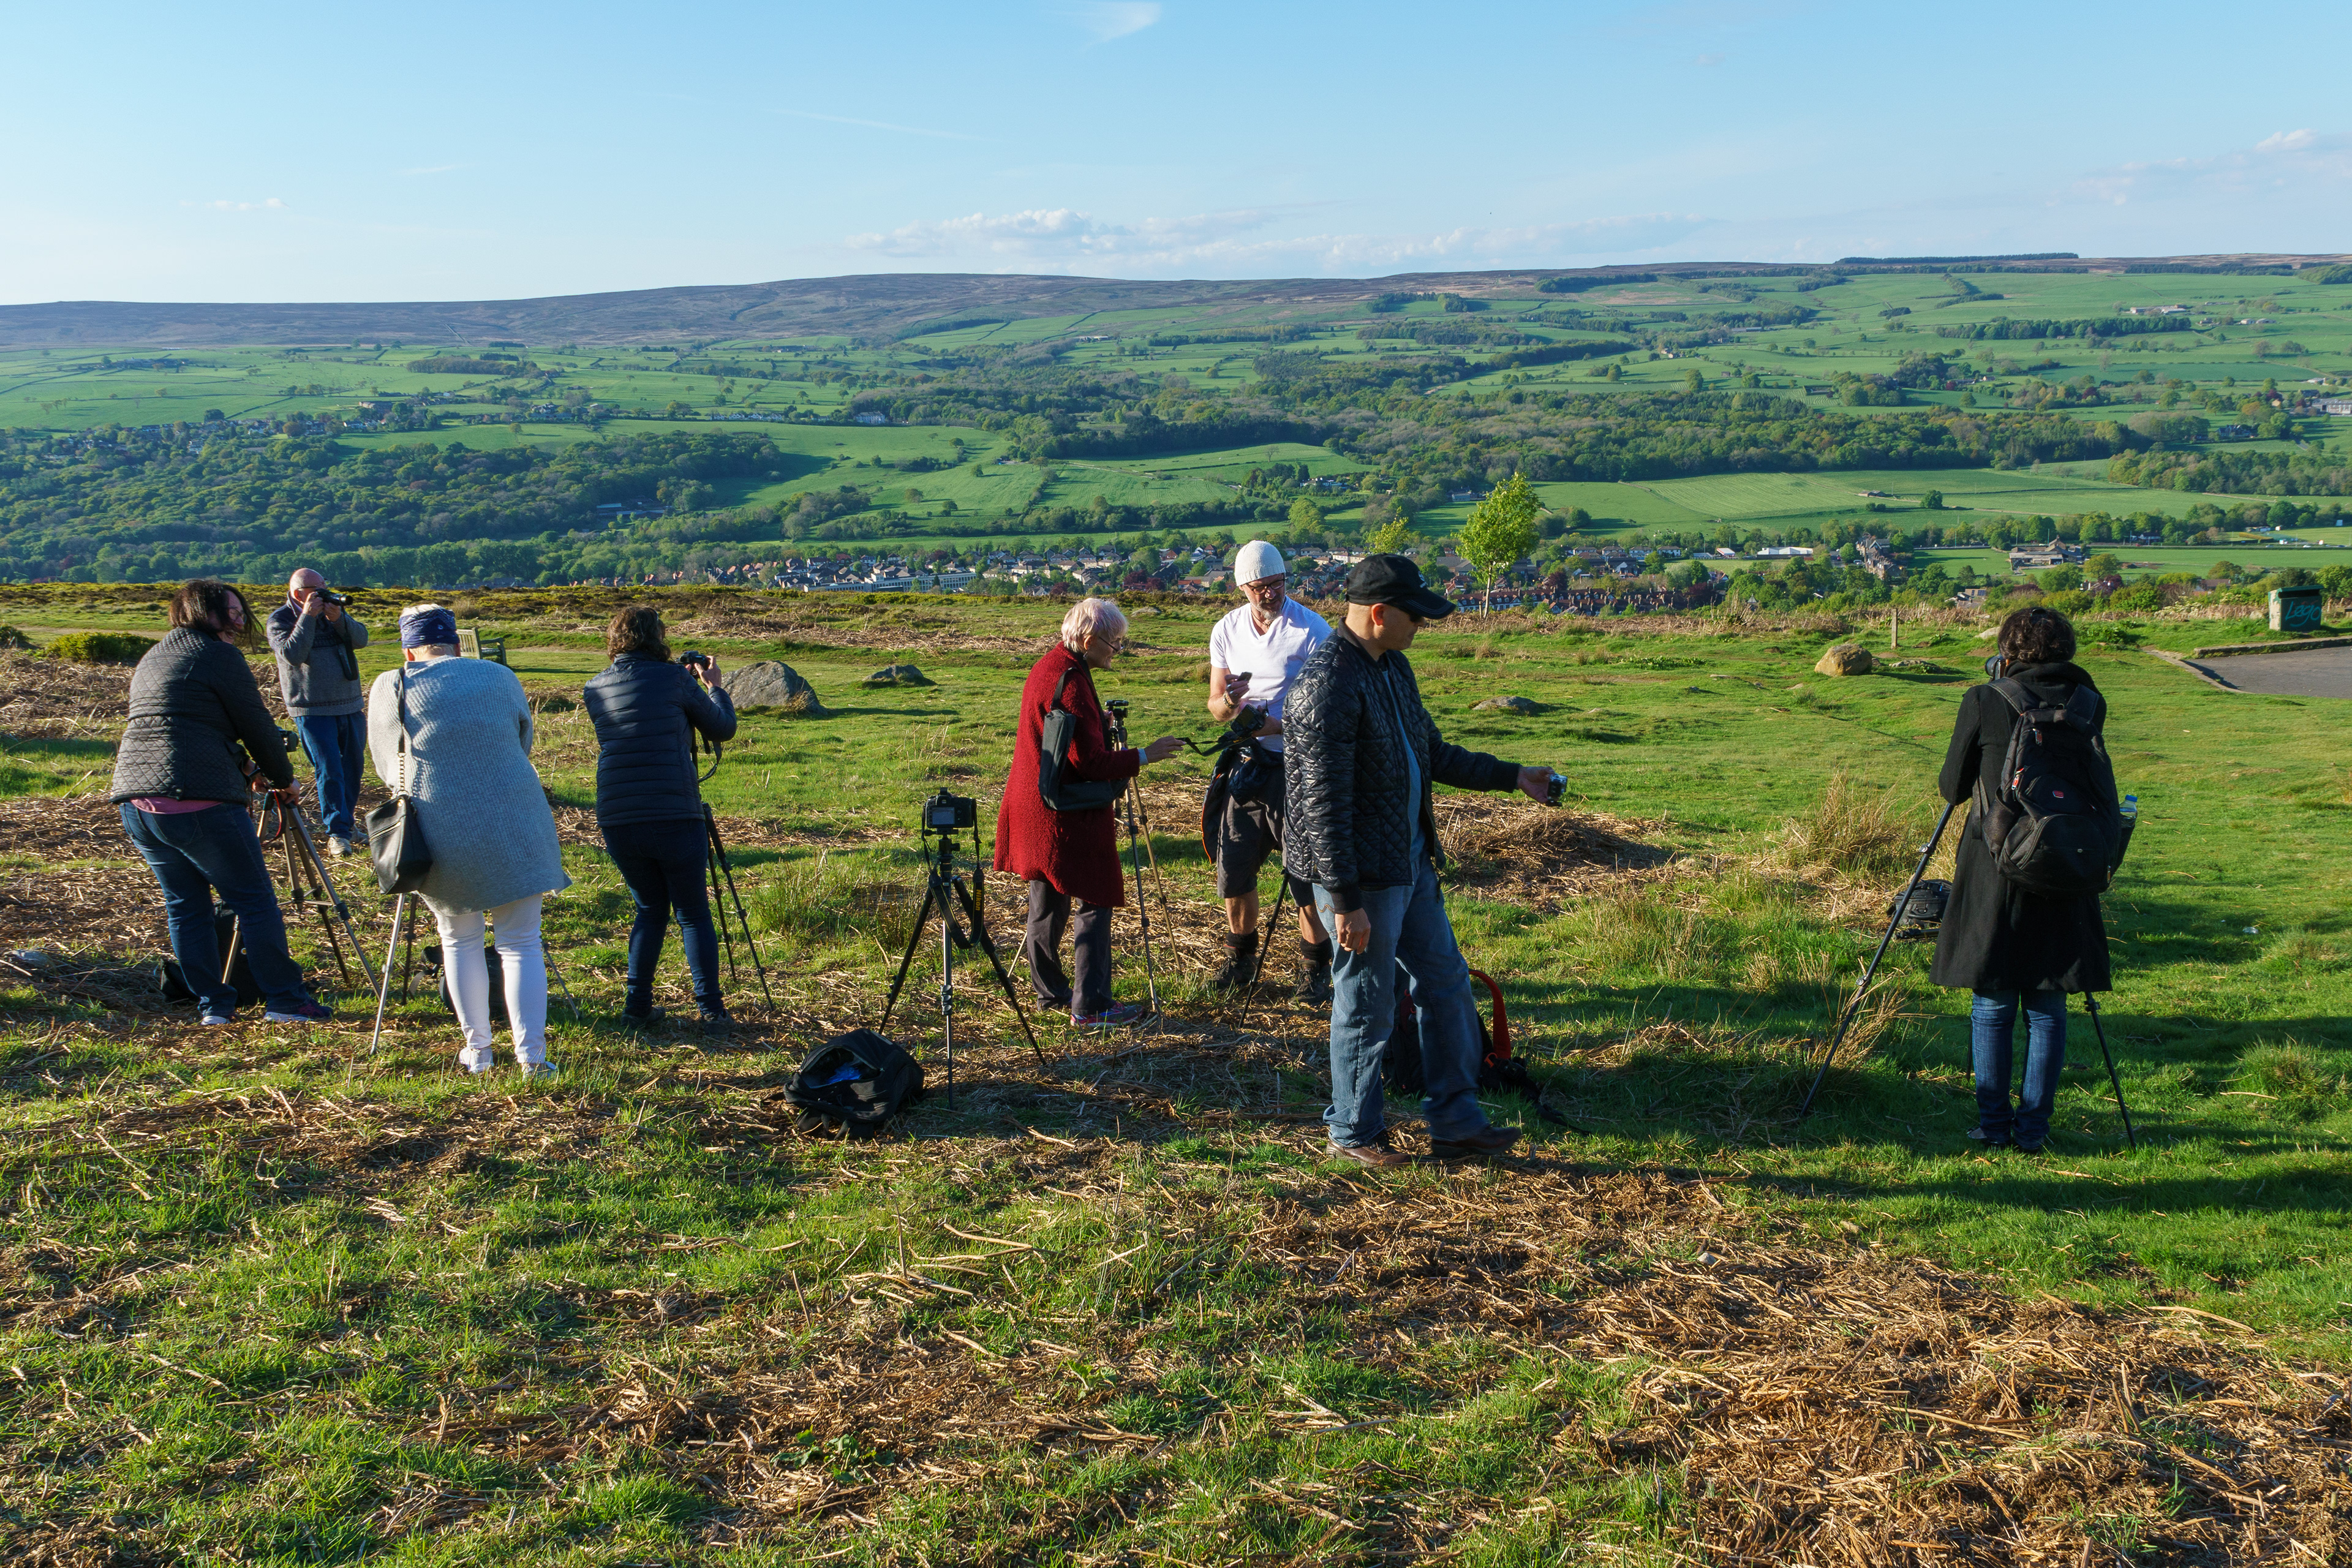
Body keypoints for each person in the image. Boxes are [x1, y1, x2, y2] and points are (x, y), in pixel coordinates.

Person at [1284, 556, 1559, 1167]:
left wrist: (1512, 775)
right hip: (1362, 881)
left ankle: (1457, 1120)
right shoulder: (1328, 686)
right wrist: (1346, 900)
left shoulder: (1392, 668)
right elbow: (1320, 807)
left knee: (1445, 986)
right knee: (1367, 1003)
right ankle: (1354, 1131)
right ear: (1379, 614)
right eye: (1415, 615)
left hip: (1409, 867)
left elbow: (1430, 752)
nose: (1423, 626)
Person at [1932, 605, 2114, 1153]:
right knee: (2048, 1003)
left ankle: (1993, 1125)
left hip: (1996, 863)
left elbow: (1951, 788)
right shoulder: (2089, 702)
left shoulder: (1986, 699)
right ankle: (2033, 1131)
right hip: (2066, 862)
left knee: (1992, 1002)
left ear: (2008, 649)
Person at [110, 579, 331, 1025]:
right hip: (196, 800)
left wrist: (245, 769)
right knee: (254, 902)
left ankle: (214, 1006)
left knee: (186, 907)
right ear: (198, 613)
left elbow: (187, 725)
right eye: (227, 611)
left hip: (136, 800)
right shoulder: (216, 654)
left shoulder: (155, 655)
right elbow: (254, 723)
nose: (237, 619)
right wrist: (282, 778)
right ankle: (287, 1001)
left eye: (238, 610)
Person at [367, 604, 571, 1076]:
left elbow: (385, 766)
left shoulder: (391, 685)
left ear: (408, 650)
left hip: (442, 825)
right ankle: (532, 1059)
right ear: (457, 643)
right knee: (522, 942)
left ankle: (479, 1054)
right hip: (518, 818)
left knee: (459, 941)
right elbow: (522, 741)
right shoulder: (500, 677)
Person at [994, 597, 1183, 1027]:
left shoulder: (1052, 667)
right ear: (1087, 638)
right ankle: (1092, 1005)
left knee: (1047, 900)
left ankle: (1051, 994)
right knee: (1096, 895)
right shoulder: (1073, 682)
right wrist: (1145, 755)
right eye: (1114, 641)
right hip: (1064, 812)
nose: (1119, 648)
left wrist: (1098, 721)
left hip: (1034, 803)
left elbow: (1070, 737)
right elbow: (1091, 763)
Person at [582, 606, 738, 1033]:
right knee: (692, 912)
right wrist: (713, 687)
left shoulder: (594, 687)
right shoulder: (674, 680)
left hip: (617, 813)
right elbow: (722, 728)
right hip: (672, 808)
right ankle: (711, 1009)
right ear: (658, 637)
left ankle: (637, 1006)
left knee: (649, 908)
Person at [1204, 540, 1334, 1001]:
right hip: (1247, 763)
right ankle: (1240, 961)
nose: (1270, 594)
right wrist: (1232, 702)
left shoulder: (1313, 630)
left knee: (1305, 873)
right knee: (1234, 866)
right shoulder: (1227, 629)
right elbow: (1217, 707)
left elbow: (1329, 709)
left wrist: (1275, 724)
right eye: (1260, 587)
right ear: (1243, 587)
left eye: (1277, 584)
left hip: (1298, 766)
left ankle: (1315, 968)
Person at [265, 568, 371, 856]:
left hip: (349, 703)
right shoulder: (280, 619)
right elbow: (293, 654)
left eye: (324, 586)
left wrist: (339, 620)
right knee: (329, 770)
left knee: (352, 768)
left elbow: (361, 640)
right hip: (311, 707)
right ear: (299, 594)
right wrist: (308, 617)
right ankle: (336, 833)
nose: (323, 594)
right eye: (316, 590)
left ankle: (347, 827)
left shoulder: (333, 613)